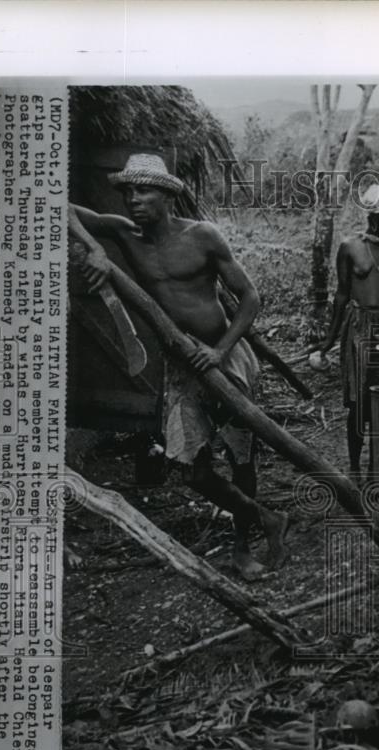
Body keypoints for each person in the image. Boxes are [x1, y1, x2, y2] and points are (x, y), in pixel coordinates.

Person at [68, 153, 287, 580]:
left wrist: (221, 351)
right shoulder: (125, 234)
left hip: (226, 358)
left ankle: (243, 550)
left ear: (167, 195)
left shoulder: (203, 236)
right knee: (193, 472)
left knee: (240, 459)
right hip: (182, 366)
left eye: (144, 190)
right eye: (128, 191)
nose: (133, 199)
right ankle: (269, 519)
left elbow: (251, 298)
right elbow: (58, 206)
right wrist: (94, 247)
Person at [319, 184, 379, 480]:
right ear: (375, 217)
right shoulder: (350, 247)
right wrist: (329, 340)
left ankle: (378, 468)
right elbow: (342, 296)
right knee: (359, 403)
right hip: (360, 328)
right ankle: (356, 468)